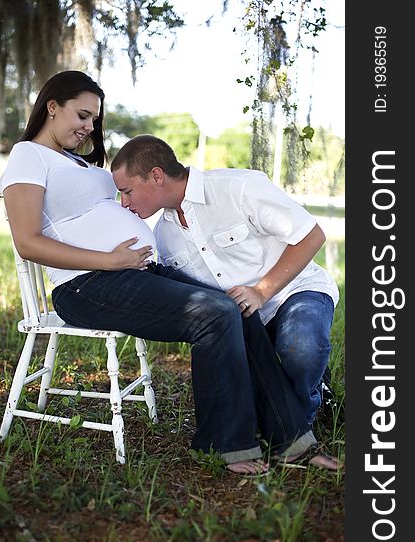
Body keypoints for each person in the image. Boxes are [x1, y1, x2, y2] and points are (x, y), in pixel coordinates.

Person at [0, 71, 337, 475]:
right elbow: (27, 242)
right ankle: (227, 444)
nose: (90, 128)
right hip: (87, 285)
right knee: (214, 314)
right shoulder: (27, 156)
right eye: (83, 115)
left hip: (134, 273)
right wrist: (110, 260)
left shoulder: (75, 161)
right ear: (52, 106)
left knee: (234, 307)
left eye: (94, 120)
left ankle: (292, 443)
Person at [110, 134, 340, 428]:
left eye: (126, 191)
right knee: (252, 401)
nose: (123, 203)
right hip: (246, 322)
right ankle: (302, 390)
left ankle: (303, 419)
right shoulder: (163, 236)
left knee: (300, 348)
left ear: (156, 176)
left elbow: (311, 235)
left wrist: (261, 291)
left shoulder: (238, 187)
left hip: (294, 292)